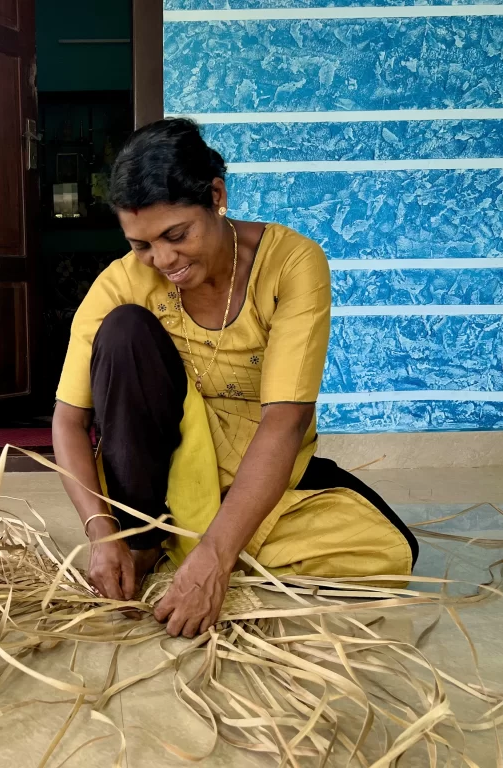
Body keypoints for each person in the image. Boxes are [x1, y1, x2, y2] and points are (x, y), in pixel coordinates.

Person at [52, 118, 418, 639]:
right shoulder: (123, 282)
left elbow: (286, 422)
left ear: (217, 196)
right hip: (156, 478)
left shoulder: (292, 263)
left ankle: (201, 543)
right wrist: (100, 532)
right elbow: (68, 420)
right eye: (142, 245)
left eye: (176, 235)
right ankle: (146, 538)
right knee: (124, 331)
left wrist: (216, 558)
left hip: (258, 464)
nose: (164, 260)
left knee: (389, 551)